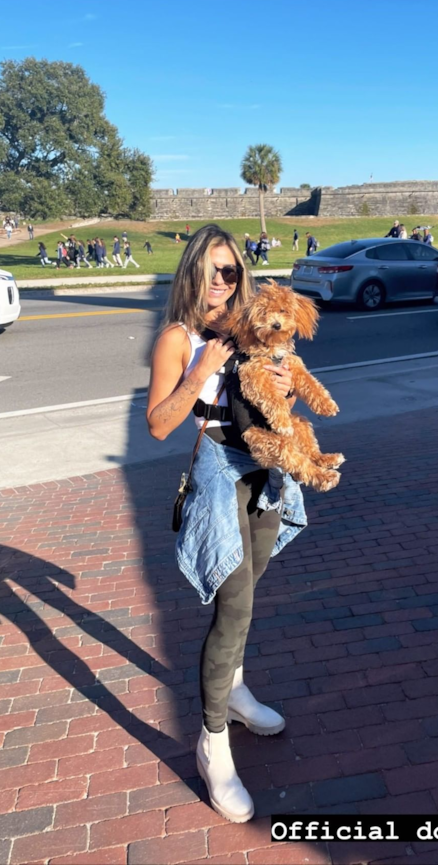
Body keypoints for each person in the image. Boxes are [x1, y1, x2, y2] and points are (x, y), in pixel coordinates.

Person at [146, 224, 304, 823]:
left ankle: (234, 690)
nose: (221, 281)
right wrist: (199, 369)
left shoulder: (249, 330)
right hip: (217, 469)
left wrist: (285, 387)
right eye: (211, 270)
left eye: (231, 270)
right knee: (233, 603)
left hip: (262, 465)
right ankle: (213, 743)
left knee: (250, 591)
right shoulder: (178, 337)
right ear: (192, 271)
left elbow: (273, 400)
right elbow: (159, 425)